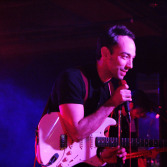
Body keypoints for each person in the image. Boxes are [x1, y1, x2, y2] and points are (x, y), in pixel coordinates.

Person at [45, 25, 136, 167]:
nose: (130, 65)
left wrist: (102, 155)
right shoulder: (73, 78)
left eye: (132, 58)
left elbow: (91, 139)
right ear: (105, 53)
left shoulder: (111, 89)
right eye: (125, 56)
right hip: (58, 160)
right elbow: (77, 132)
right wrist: (112, 103)